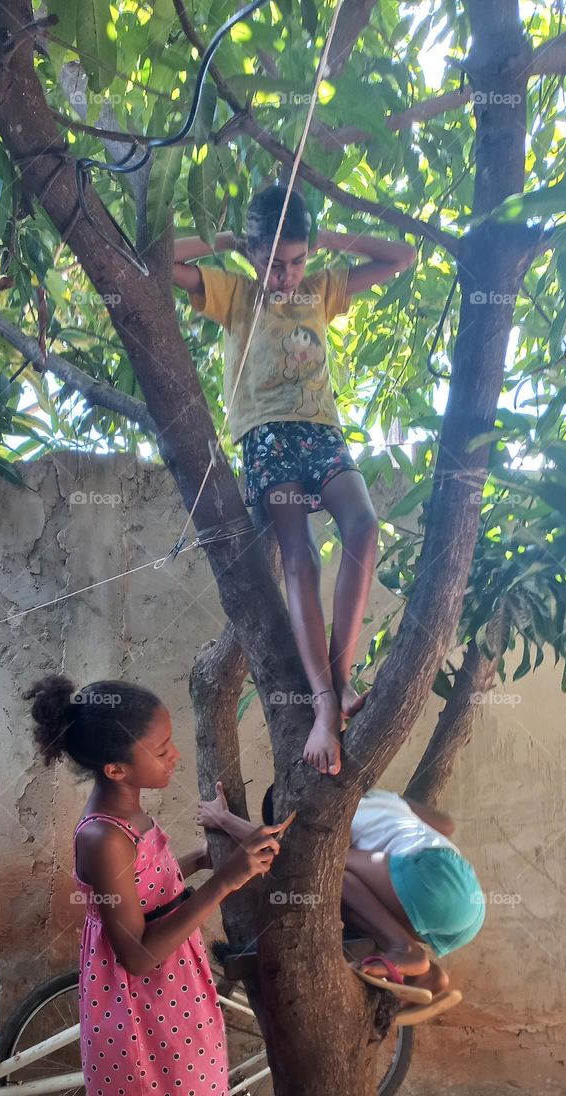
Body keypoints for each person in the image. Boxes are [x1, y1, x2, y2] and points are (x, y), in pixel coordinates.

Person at [24, 675, 288, 1096]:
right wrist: (225, 882)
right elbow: (138, 954)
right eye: (162, 747)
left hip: (177, 1002)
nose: (175, 755)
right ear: (118, 769)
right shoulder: (101, 838)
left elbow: (155, 884)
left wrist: (213, 852)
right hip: (138, 1017)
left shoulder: (132, 816)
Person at [171, 183, 416, 776]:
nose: (285, 276)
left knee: (363, 527)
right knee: (300, 556)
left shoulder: (321, 290)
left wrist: (325, 240)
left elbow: (400, 257)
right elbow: (163, 258)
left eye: (296, 261)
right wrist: (234, 241)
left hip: (321, 433)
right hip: (268, 437)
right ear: (254, 256)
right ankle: (325, 704)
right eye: (274, 262)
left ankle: (340, 673)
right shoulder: (236, 294)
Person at [198, 781, 485, 1027]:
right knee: (362, 892)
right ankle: (428, 976)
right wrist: (400, 810)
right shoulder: (380, 799)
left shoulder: (327, 817)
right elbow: (447, 825)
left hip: (428, 879)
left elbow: (285, 851)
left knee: (328, 870)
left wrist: (223, 819)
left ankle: (404, 949)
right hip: (468, 900)